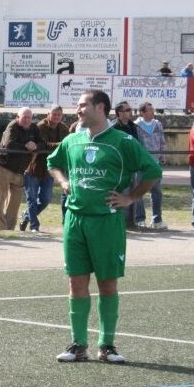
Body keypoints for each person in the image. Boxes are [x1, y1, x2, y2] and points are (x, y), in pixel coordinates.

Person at [47, 90, 162, 364]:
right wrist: (63, 182)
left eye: (83, 105)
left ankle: (106, 345)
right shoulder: (72, 139)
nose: (78, 110)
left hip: (106, 222)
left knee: (107, 284)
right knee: (76, 282)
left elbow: (153, 171)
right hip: (74, 220)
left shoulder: (122, 141)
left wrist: (130, 197)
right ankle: (78, 345)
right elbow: (52, 163)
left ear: (100, 107)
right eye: (77, 105)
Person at [21, 106, 68, 232]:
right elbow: (43, 144)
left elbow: (67, 143)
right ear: (48, 114)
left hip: (50, 169)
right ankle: (34, 226)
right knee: (31, 198)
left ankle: (27, 216)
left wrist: (60, 145)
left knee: (46, 200)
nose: (57, 117)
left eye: (59, 114)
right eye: (54, 114)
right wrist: (60, 145)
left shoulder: (63, 128)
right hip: (34, 167)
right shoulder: (40, 126)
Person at [0, 107, 41, 230]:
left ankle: (9, 228)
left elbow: (42, 143)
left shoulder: (34, 128)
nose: (26, 120)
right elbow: (8, 144)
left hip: (19, 170)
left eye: (29, 118)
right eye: (24, 117)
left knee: (16, 200)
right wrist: (26, 146)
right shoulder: (12, 126)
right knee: (0, 198)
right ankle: (0, 228)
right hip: (3, 165)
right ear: (17, 117)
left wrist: (35, 145)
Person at [134, 102, 167, 230]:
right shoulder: (136, 125)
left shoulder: (158, 124)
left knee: (157, 192)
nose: (152, 112)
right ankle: (140, 219)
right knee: (139, 192)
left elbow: (162, 141)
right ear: (142, 112)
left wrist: (163, 155)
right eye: (149, 110)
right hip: (141, 164)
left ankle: (157, 220)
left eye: (153, 110)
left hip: (155, 163)